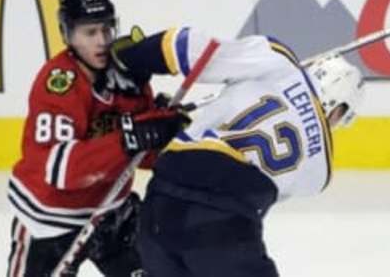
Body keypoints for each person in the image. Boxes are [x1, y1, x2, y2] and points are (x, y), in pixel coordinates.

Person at [110, 27, 365, 276]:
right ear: (338, 109)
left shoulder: (278, 60)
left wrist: (131, 57)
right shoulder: (320, 172)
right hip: (223, 225)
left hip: (160, 203)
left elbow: (187, 47)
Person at [6, 0, 189, 277]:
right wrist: (129, 138)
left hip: (113, 212)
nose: (102, 41)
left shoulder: (127, 76)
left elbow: (141, 156)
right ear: (68, 35)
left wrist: (161, 129)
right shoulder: (59, 83)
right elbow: (60, 170)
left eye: (106, 29)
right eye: (89, 33)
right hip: (51, 220)